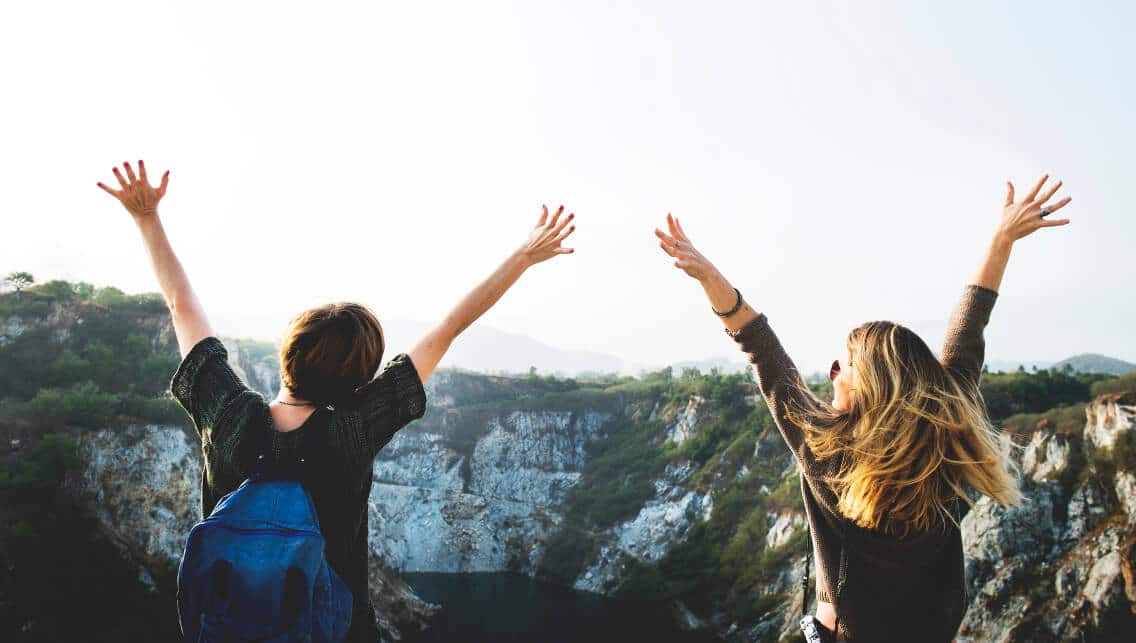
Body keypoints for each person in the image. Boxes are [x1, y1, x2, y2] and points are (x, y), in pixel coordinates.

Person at [98, 160, 577, 642]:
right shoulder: (354, 428)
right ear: (361, 377)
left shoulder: (228, 416)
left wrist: (146, 218)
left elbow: (182, 306)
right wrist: (523, 257)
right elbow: (450, 327)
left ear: (289, 352)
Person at [653, 176, 1072, 642]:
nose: (832, 372)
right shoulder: (945, 434)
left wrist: (709, 277)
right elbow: (970, 322)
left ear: (870, 384)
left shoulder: (826, 450)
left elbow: (761, 348)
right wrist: (1002, 238)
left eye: (842, 365)